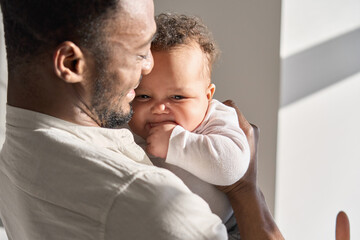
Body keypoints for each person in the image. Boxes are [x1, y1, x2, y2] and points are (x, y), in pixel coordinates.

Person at [0, 0, 284, 239]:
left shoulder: (15, 153)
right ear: (72, 64)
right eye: (139, 51)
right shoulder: (162, 210)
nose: (149, 65)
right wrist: (245, 190)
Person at [127, 13, 250, 237]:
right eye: (144, 96)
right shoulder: (125, 125)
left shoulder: (215, 117)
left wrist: (175, 142)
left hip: (225, 229)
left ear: (207, 95)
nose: (159, 108)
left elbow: (232, 167)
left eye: (177, 97)